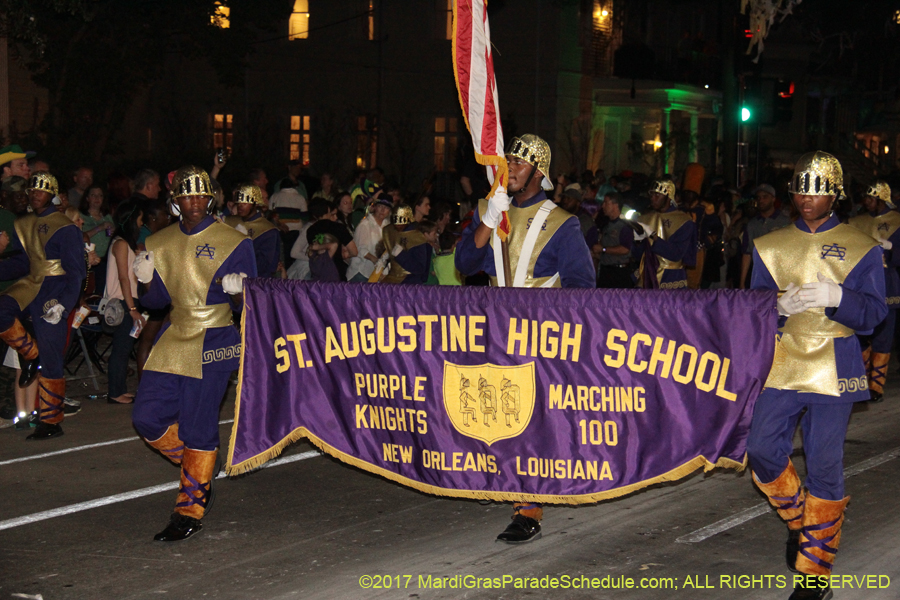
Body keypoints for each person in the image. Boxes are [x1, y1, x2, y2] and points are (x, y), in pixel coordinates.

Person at [747, 152, 886, 600]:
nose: (806, 198)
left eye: (817, 190)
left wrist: (840, 297)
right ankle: (801, 521)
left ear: (835, 194)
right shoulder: (769, 244)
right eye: (800, 189)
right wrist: (773, 307)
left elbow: (874, 315)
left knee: (824, 465)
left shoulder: (861, 246)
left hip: (834, 362)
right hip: (781, 359)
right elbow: (748, 309)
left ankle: (814, 576)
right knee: (760, 448)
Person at [456, 134, 594, 543]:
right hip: (495, 332)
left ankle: (528, 508)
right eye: (508, 161)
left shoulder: (563, 223)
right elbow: (465, 263)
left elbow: (582, 286)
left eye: (518, 163)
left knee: (529, 422)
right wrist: (488, 219)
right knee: (496, 416)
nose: (509, 169)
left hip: (539, 338)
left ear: (538, 173)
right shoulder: (490, 209)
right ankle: (506, 480)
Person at [131, 165, 256, 541]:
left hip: (216, 337)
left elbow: (249, 306)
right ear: (175, 202)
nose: (196, 202)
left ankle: (190, 509)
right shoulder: (159, 241)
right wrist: (146, 280)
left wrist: (239, 293)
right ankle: (199, 471)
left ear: (211, 198)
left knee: (198, 425)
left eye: (202, 195)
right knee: (147, 416)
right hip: (174, 333)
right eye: (187, 196)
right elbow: (156, 302)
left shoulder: (235, 241)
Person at [0, 172, 86, 440]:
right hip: (32, 283)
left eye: (42, 190)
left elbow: (77, 272)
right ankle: (30, 354)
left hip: (54, 288)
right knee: (2, 310)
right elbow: (23, 263)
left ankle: (51, 421)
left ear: (52, 194)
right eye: (32, 190)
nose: (35, 194)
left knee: (52, 357)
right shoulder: (24, 223)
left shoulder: (65, 227)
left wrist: (64, 304)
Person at [847, 180, 900, 402]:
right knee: (861, 333)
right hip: (862, 284)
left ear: (881, 199)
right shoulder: (857, 221)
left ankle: (876, 385)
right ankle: (861, 380)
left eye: (871, 198)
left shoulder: (897, 221)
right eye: (866, 198)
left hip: (887, 283)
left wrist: (892, 248)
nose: (867, 202)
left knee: (883, 336)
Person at [105, 200, 144, 404]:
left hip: (127, 299)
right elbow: (123, 278)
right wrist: (132, 308)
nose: (141, 223)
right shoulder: (120, 244)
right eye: (139, 219)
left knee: (124, 348)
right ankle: (115, 392)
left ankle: (119, 389)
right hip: (122, 301)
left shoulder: (126, 245)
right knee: (121, 349)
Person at [633, 179, 697, 289]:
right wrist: (638, 242)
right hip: (646, 275)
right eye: (651, 195)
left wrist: (653, 237)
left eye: (657, 195)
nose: (653, 198)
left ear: (669, 196)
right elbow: (637, 256)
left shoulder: (683, 221)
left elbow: (676, 253)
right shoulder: (644, 218)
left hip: (670, 277)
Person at [741, 184, 791, 289]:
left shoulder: (785, 222)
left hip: (781, 275)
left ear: (773, 199)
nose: (761, 200)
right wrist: (742, 282)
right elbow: (747, 254)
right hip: (759, 277)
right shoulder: (752, 224)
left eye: (765, 197)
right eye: (758, 198)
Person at [225, 185, 280, 278]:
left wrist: (244, 242)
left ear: (256, 203)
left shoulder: (268, 230)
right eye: (238, 202)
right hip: (228, 277)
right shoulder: (228, 221)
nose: (240, 205)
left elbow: (264, 266)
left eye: (245, 202)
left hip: (254, 281)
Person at [347, 194, 392, 282]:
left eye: (386, 207)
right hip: (361, 272)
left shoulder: (388, 226)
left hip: (377, 273)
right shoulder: (365, 224)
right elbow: (360, 249)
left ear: (389, 211)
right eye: (380, 206)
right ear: (375, 207)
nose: (382, 210)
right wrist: (376, 261)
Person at [593, 192, 634, 288]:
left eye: (606, 203)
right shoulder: (607, 225)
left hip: (619, 273)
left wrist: (603, 249)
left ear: (615, 205)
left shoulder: (624, 226)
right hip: (606, 270)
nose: (603, 206)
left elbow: (625, 249)